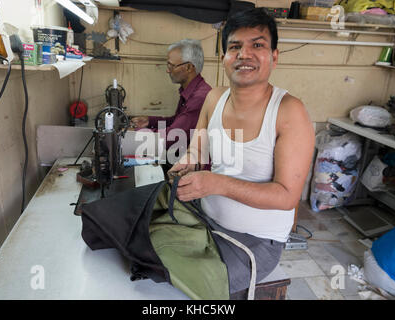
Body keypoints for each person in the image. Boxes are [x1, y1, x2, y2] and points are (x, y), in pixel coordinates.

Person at [169, 8, 315, 246]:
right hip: (208, 223)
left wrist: (217, 183)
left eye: (257, 46)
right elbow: (196, 152)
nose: (244, 54)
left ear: (274, 57)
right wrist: (186, 164)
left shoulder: (289, 111)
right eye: (235, 47)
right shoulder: (214, 98)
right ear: (224, 57)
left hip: (257, 241)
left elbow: (287, 197)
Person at [131, 39, 212, 154]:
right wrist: (149, 122)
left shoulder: (200, 98)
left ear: (189, 67)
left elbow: (172, 137)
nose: (167, 70)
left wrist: (135, 133)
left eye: (171, 65)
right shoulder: (189, 91)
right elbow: (177, 121)